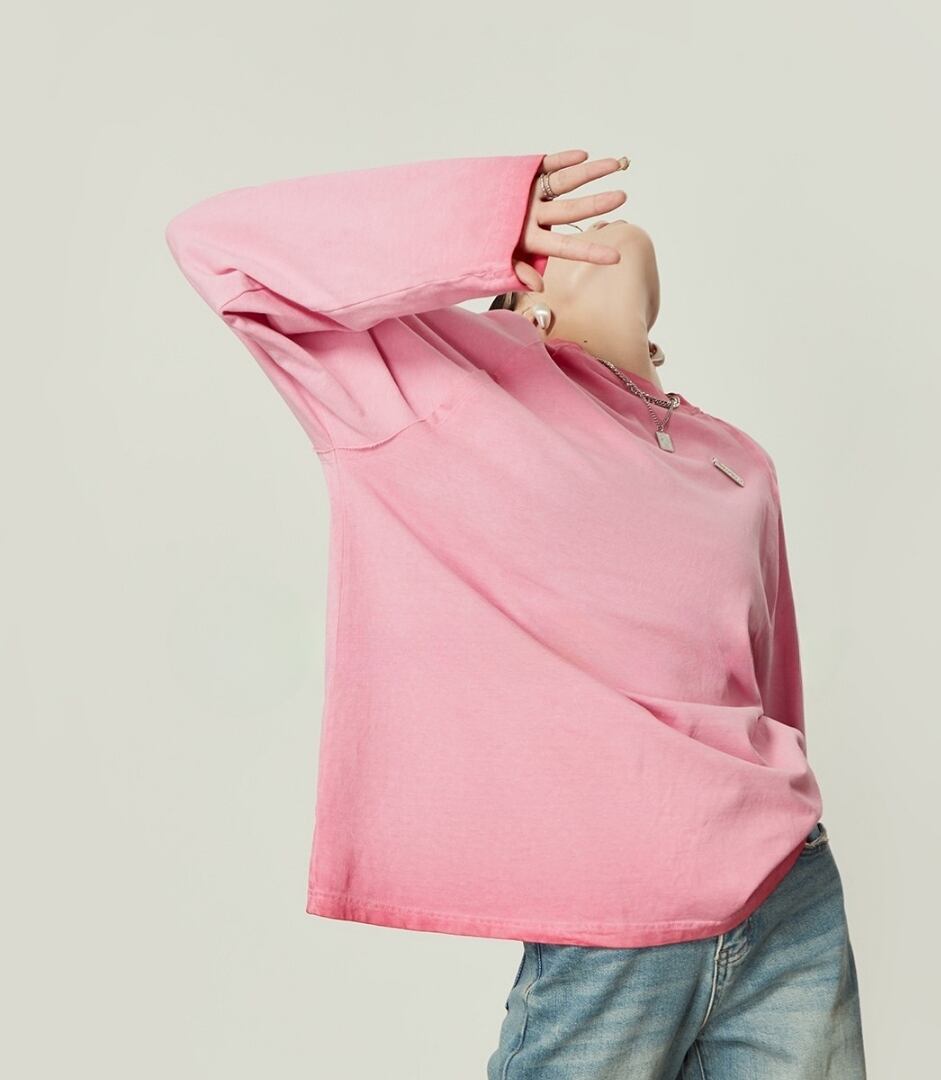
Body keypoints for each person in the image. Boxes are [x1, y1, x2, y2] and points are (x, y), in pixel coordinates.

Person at [165, 148, 866, 1078]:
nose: (586, 232)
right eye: (547, 252)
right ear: (521, 308)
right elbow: (218, 245)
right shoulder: (452, 394)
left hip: (789, 886)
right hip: (610, 905)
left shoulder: (736, 459)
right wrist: (482, 227)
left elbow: (770, 689)